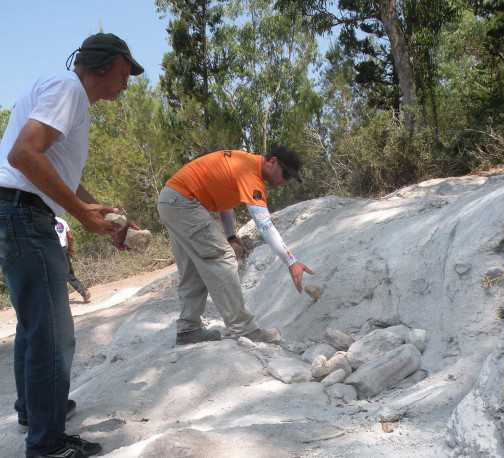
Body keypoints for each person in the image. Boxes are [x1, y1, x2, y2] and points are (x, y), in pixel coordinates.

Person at [0, 33, 143, 458]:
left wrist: (95, 207)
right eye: (124, 72)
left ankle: (35, 408)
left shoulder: (61, 92)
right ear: (105, 64)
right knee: (53, 335)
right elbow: (25, 155)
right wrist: (80, 212)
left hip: (14, 210)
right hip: (24, 213)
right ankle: (47, 445)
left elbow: (52, 168)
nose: (127, 82)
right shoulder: (69, 90)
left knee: (33, 324)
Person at [157, 146, 314, 345]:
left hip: (170, 201)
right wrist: (291, 262)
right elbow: (264, 224)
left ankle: (189, 329)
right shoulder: (250, 173)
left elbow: (225, 202)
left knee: (192, 269)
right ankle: (243, 328)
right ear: (272, 161)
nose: (283, 181)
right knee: (222, 258)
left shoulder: (241, 163)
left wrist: (231, 235)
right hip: (183, 202)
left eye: (288, 178)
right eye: (285, 174)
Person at [54, 216, 91, 303]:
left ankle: (83, 292)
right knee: (69, 273)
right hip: (64, 249)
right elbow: (70, 237)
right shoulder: (62, 221)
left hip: (55, 250)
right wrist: (70, 249)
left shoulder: (48, 222)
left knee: (63, 275)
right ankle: (82, 292)